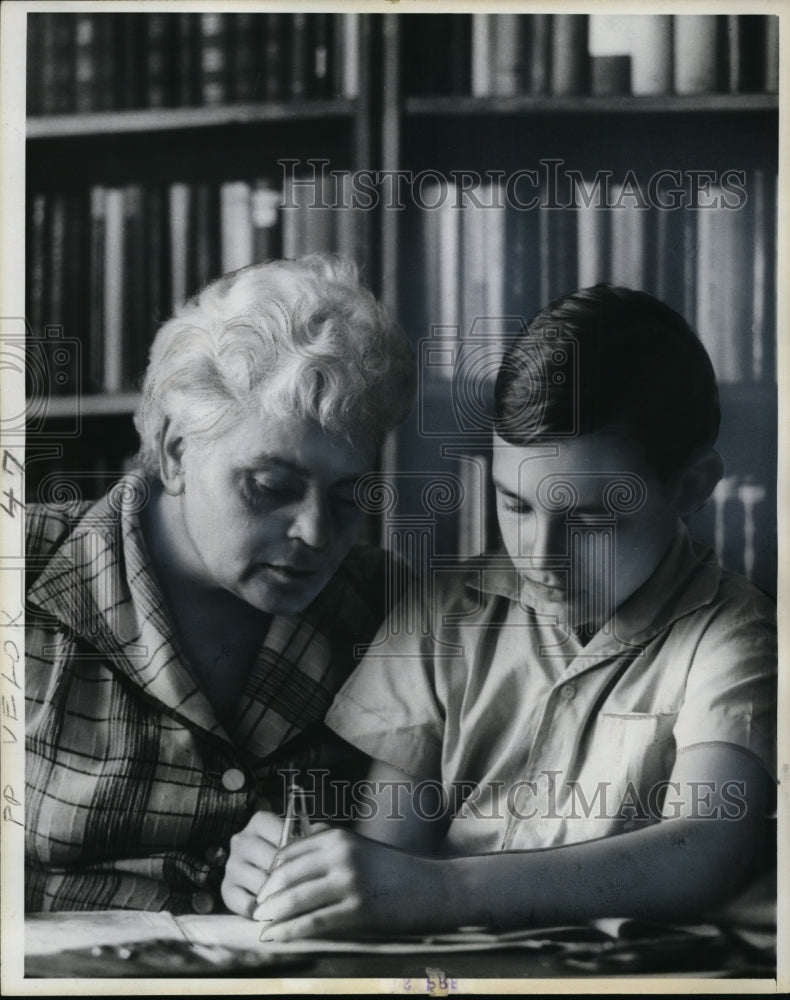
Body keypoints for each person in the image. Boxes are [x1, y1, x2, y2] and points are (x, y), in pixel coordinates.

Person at [225, 284, 776, 937]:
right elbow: (390, 856)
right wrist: (306, 881)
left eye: (590, 517)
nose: (541, 555)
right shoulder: (440, 618)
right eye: (515, 505)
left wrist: (443, 891)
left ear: (690, 488)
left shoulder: (732, 632)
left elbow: (705, 850)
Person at [25, 254, 416, 913]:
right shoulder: (24, 569)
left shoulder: (388, 611)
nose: (318, 534)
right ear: (177, 450)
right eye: (272, 487)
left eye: (351, 495)